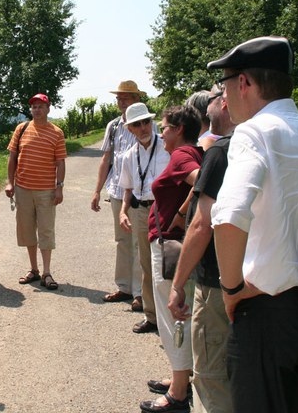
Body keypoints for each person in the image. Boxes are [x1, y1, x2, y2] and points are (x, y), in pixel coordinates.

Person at [208, 36, 298, 412]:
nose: (224, 96)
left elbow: (228, 214)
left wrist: (232, 287)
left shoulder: (254, 132)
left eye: (225, 84)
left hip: (266, 310)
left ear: (244, 83)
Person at [168, 83, 236, 413]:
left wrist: (178, 284)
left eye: (214, 96)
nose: (209, 105)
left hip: (216, 279)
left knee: (211, 376)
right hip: (257, 282)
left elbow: (202, 224)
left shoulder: (220, 153)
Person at [140, 105, 203, 413]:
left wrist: (180, 214)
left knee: (172, 317)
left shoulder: (181, 156)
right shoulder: (195, 151)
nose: (160, 133)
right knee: (180, 315)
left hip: (169, 244)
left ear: (179, 129)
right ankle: (180, 377)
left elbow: (204, 181)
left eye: (164, 127)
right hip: (174, 242)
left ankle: (178, 393)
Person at [91, 80, 156, 311]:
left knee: (140, 243)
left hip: (140, 193)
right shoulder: (115, 126)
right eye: (119, 98)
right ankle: (124, 286)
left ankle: (140, 292)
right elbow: (107, 158)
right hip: (118, 190)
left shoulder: (149, 124)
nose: (120, 102)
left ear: (136, 99)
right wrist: (97, 190)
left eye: (125, 98)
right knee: (122, 241)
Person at [118, 102, 171, 334]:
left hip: (165, 209)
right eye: (137, 124)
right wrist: (122, 211)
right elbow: (127, 189)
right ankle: (152, 316)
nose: (143, 128)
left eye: (146, 122)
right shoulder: (130, 155)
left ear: (152, 122)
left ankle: (171, 315)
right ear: (129, 129)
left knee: (168, 260)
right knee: (146, 263)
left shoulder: (167, 148)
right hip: (141, 211)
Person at [5, 93, 67, 290]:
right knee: (27, 229)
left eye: (41, 106)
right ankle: (34, 269)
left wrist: (59, 187)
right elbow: (12, 157)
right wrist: (10, 183)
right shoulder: (21, 129)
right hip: (23, 189)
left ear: (48, 109)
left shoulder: (56, 132)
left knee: (46, 230)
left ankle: (47, 272)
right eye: (34, 107)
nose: (37, 110)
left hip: (46, 191)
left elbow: (60, 162)